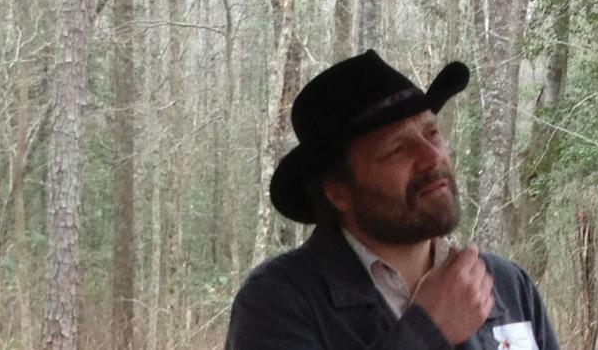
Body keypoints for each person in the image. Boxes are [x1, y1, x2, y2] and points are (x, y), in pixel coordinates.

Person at [225, 50, 560, 350]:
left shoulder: (508, 286)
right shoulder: (280, 302)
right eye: (398, 149)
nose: (432, 158)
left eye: (432, 134)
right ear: (338, 192)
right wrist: (427, 332)